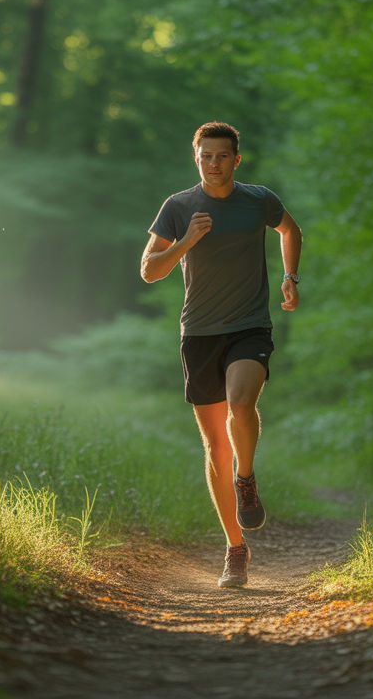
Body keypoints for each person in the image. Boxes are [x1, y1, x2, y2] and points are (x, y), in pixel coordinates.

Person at [140, 121, 302, 588]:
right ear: (197, 159)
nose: (215, 163)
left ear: (237, 159)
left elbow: (291, 230)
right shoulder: (179, 207)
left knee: (241, 403)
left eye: (222, 156)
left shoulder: (259, 200)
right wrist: (188, 240)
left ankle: (245, 478)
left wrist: (291, 277)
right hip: (200, 333)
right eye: (206, 156)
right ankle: (235, 548)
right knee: (215, 446)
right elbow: (150, 271)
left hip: (250, 326)